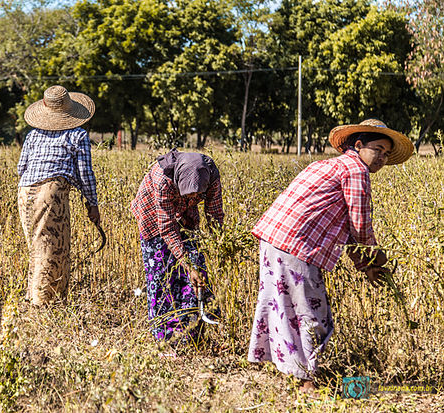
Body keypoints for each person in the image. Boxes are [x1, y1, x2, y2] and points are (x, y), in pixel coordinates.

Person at [247, 119, 414, 391]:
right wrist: (376, 257)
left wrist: (364, 264)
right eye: (379, 150)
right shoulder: (356, 170)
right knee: (312, 314)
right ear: (358, 145)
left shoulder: (329, 164)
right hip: (296, 245)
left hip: (274, 240)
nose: (382, 158)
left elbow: (347, 227)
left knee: (283, 307)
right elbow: (359, 225)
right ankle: (306, 382)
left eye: (386, 154)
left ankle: (293, 372)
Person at [131, 149, 224, 344]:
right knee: (161, 276)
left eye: (199, 193)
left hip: (186, 216)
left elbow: (214, 213)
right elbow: (166, 228)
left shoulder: (211, 176)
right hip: (153, 217)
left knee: (197, 272)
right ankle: (164, 338)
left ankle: (190, 334)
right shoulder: (162, 179)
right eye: (190, 193)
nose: (195, 197)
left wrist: (220, 246)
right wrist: (187, 265)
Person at [17, 85, 100, 305]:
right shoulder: (78, 134)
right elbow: (85, 173)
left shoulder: (33, 134)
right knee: (51, 248)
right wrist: (92, 203)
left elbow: (20, 167)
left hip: (25, 190)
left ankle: (34, 295)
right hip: (51, 191)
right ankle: (44, 302)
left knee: (36, 246)